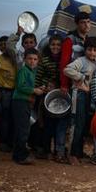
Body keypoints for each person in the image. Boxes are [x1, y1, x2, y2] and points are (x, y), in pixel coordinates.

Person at [64, 36, 96, 165]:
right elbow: (67, 69)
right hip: (78, 94)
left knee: (84, 125)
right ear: (85, 50)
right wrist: (81, 77)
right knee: (77, 124)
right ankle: (72, 154)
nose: (92, 52)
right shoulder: (81, 61)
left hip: (88, 97)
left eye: (95, 50)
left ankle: (79, 152)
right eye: (89, 49)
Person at [34, 34, 70, 163]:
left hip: (61, 97)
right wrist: (43, 87)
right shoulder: (44, 60)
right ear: (49, 46)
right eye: (53, 44)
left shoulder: (65, 60)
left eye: (58, 45)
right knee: (47, 125)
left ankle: (59, 151)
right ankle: (46, 151)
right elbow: (38, 78)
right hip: (47, 96)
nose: (56, 47)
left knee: (60, 126)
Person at [12, 48, 45, 164]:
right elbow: (20, 87)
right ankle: (20, 156)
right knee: (23, 129)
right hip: (20, 102)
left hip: (24, 102)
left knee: (24, 128)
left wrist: (37, 89)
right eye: (30, 59)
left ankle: (19, 154)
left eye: (35, 59)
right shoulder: (23, 71)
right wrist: (34, 90)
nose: (32, 61)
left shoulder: (32, 72)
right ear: (25, 59)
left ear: (38, 61)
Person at [0, 36, 17, 152]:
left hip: (15, 91)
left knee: (12, 116)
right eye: (1, 45)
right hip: (4, 91)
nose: (3, 46)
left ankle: (10, 142)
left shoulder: (14, 58)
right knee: (4, 117)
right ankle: (3, 142)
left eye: (5, 44)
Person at [59, 11, 91, 94]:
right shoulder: (69, 40)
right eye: (83, 22)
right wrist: (64, 84)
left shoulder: (89, 40)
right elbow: (64, 63)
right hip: (72, 83)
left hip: (85, 83)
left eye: (88, 22)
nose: (87, 25)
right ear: (77, 24)